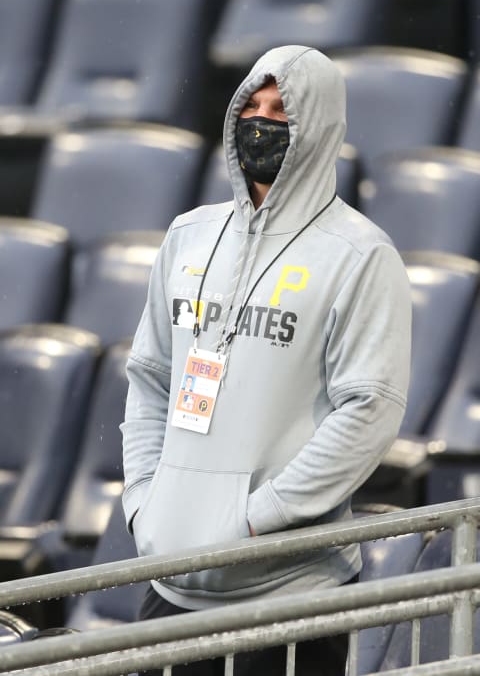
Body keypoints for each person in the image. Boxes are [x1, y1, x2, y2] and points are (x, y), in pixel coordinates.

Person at [121, 45, 412, 675]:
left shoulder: (360, 254)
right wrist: (145, 500)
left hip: (290, 599)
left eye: (282, 109)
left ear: (320, 125)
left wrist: (257, 520)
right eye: (250, 104)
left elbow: (370, 409)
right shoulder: (188, 235)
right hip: (168, 582)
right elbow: (150, 381)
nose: (260, 120)